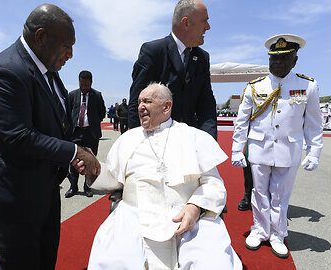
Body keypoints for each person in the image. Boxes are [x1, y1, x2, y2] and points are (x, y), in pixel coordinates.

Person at [0, 4, 100, 269]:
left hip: (44, 190)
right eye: (67, 45)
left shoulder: (50, 73)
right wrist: (72, 152)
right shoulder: (6, 72)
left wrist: (75, 148)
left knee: (46, 261)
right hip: (16, 198)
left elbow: (56, 124)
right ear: (41, 37)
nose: (71, 54)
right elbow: (19, 136)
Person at [86, 83, 242, 270]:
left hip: (188, 218)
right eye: (139, 102)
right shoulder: (127, 139)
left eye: (147, 101)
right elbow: (113, 179)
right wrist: (93, 168)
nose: (140, 106)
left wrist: (196, 207)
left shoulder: (193, 137)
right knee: (114, 261)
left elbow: (213, 184)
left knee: (213, 263)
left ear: (166, 107)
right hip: (134, 216)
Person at [231, 34, 323, 259]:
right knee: (259, 192)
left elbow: (314, 123)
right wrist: (236, 149)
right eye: (274, 59)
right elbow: (242, 121)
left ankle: (278, 234)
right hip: (259, 149)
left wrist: (314, 151)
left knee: (281, 195)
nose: (277, 63)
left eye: (284, 58)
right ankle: (260, 230)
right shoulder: (255, 86)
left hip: (288, 150)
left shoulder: (307, 86)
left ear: (295, 60)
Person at [128, 0, 218, 140]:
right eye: (204, 21)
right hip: (156, 141)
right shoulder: (153, 52)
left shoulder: (202, 58)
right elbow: (136, 103)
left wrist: (209, 143)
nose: (208, 27)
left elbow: (206, 104)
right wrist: (139, 143)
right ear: (186, 22)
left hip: (188, 142)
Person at [65, 70, 106, 198]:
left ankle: (87, 187)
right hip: (75, 133)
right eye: (82, 85)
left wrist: (92, 122)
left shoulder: (97, 95)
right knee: (74, 160)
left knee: (90, 161)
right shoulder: (72, 95)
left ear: (91, 83)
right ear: (79, 82)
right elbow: (67, 112)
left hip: (91, 133)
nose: (84, 88)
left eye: (86, 85)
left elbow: (102, 112)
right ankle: (73, 186)